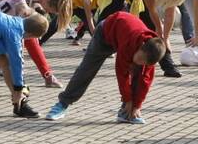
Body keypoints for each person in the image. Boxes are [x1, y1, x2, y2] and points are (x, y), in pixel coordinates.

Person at [44, 11, 173, 124]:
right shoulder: (130, 43)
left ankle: (126, 113)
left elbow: (145, 81)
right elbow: (122, 74)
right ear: (141, 47)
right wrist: (127, 99)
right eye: (139, 59)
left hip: (121, 36)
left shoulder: (151, 53)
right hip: (105, 34)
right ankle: (62, 104)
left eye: (144, 63)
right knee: (86, 70)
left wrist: (137, 105)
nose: (140, 63)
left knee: (139, 75)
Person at [97, 0, 191, 77]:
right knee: (107, 18)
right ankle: (94, 50)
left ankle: (168, 66)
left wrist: (166, 38)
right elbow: (152, 12)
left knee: (154, 29)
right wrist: (160, 31)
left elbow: (169, 14)